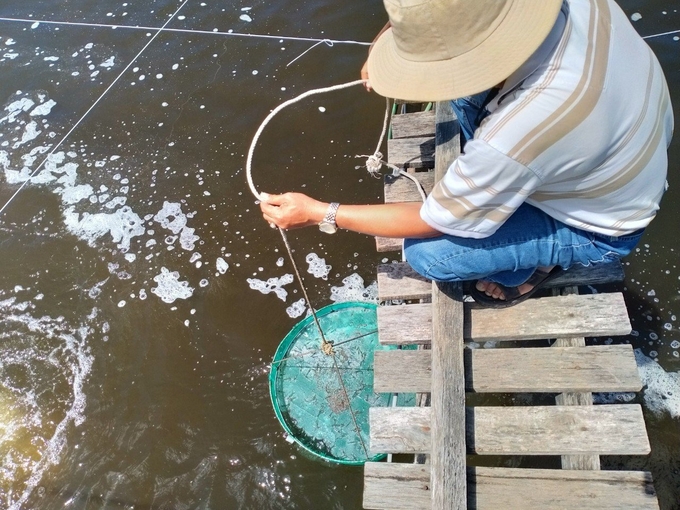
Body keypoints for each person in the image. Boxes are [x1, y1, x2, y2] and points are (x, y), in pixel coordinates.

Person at [260, 0, 673, 307]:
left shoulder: (516, 136)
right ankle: (498, 197)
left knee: (427, 256)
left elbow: (430, 221)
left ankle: (531, 271)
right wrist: (397, 39)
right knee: (466, 98)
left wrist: (319, 213)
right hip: (623, 145)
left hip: (602, 225)